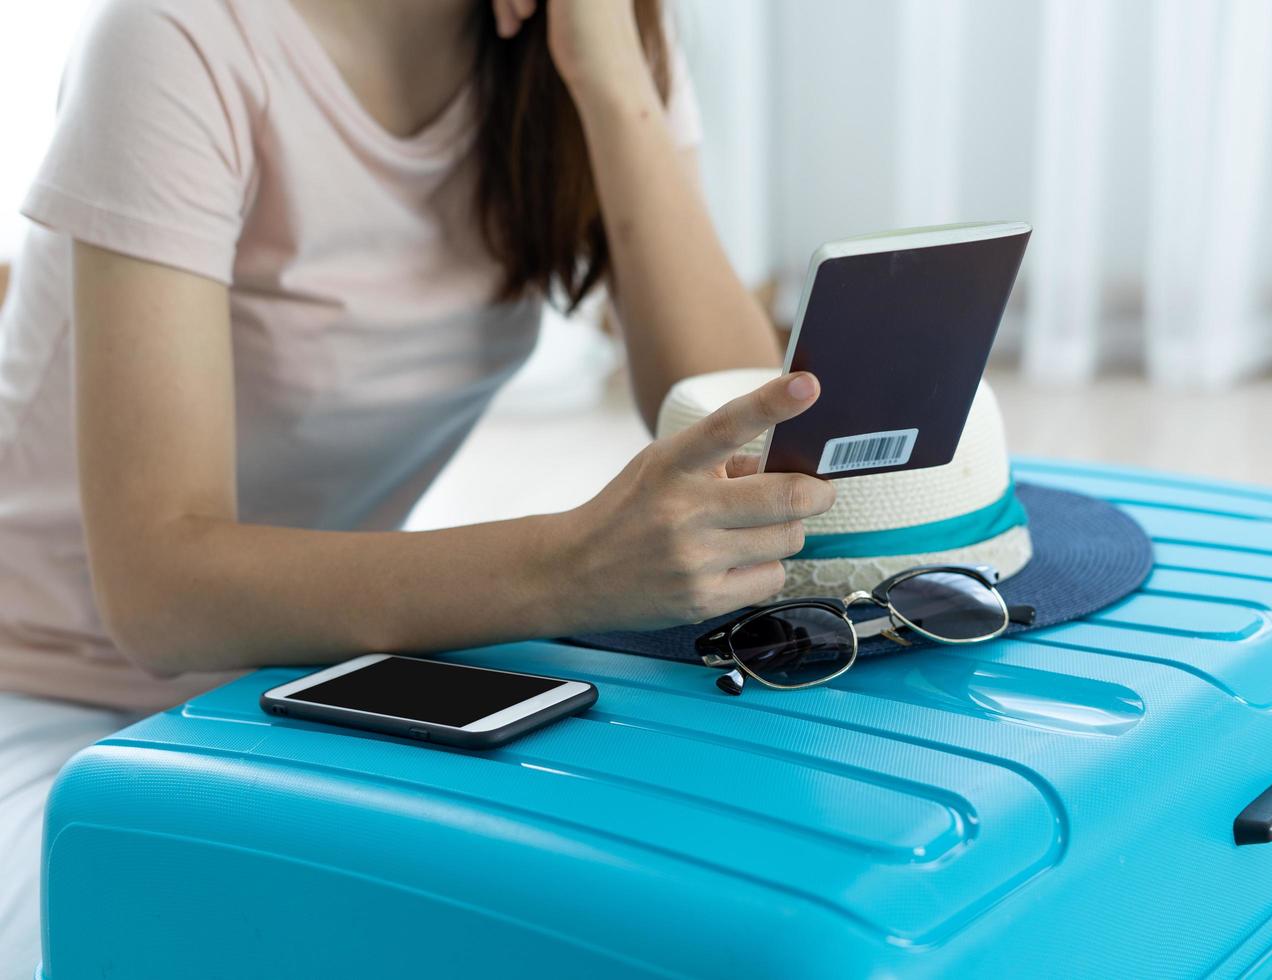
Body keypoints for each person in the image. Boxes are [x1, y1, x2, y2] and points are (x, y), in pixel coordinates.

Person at [0, 0, 836, 972]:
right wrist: (575, 563)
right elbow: (159, 597)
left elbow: (735, 419)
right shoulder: (177, 40)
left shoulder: (587, 32)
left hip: (290, 678)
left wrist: (610, 79)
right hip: (43, 699)